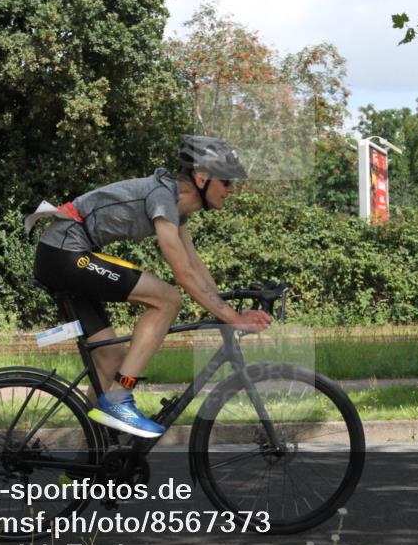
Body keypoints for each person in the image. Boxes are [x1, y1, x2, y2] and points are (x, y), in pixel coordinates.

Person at [29, 135, 271, 438]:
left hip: (64, 255)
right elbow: (182, 273)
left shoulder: (176, 209)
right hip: (65, 253)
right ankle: (118, 401)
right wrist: (232, 317)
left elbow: (195, 266)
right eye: (226, 181)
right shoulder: (162, 197)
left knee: (112, 361)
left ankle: (92, 462)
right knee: (167, 299)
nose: (231, 189)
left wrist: (229, 308)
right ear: (201, 178)